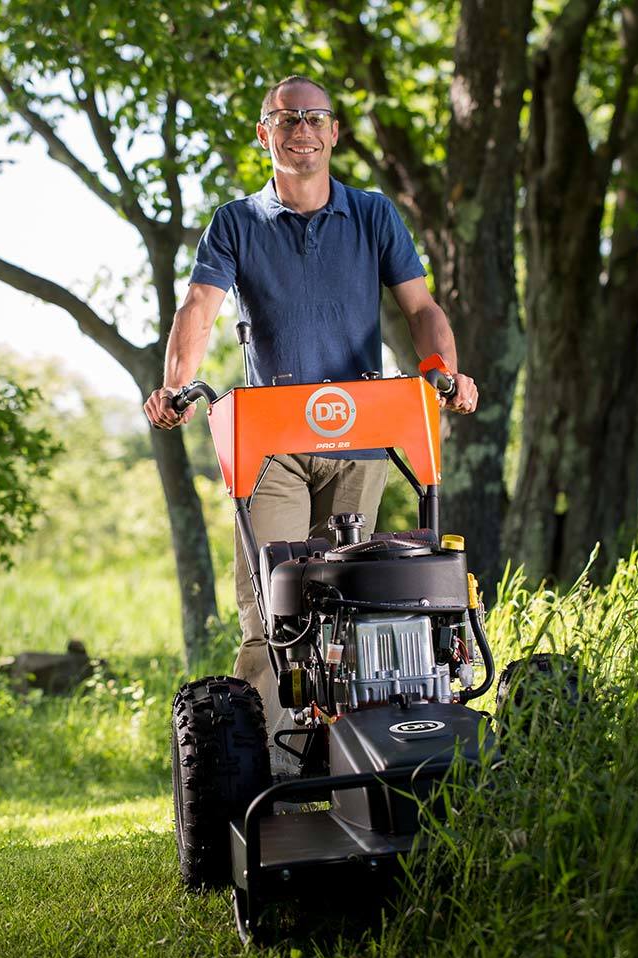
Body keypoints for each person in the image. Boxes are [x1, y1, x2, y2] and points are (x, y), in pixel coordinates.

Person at [144, 75, 478, 769]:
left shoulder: (373, 215)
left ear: (333, 133)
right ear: (264, 134)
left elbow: (419, 306)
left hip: (362, 435)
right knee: (275, 612)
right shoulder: (236, 223)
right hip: (272, 445)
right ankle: (256, 778)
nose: (301, 129)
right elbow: (200, 307)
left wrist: (443, 368)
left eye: (314, 118)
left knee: (360, 602)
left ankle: (366, 756)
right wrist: (176, 387)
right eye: (286, 118)